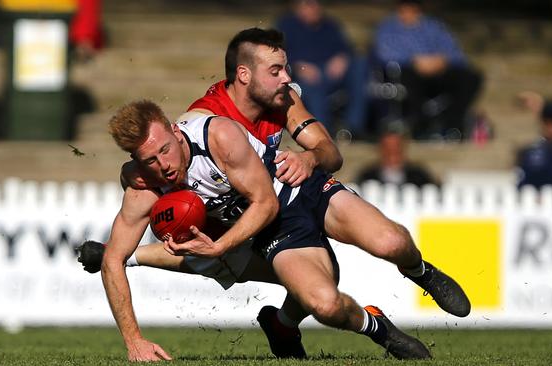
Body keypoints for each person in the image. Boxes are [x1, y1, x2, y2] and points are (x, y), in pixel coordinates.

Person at [79, 27, 469, 359]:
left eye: (285, 69)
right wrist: (133, 338)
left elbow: (331, 155)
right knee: (323, 300)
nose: (287, 78)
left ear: (175, 133)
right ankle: (368, 326)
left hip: (299, 192)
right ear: (245, 75)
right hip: (265, 223)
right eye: (277, 70)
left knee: (391, 242)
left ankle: (419, 271)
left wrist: (309, 160)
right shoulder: (174, 151)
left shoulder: (270, 104)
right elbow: (247, 207)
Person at [372, 0, 483, 140]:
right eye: (404, 8)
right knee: (409, 78)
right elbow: (384, 54)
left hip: (438, 71)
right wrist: (414, 60)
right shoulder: (388, 27)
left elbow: (456, 53)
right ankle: (421, 126)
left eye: (412, 8)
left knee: (470, 77)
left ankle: (453, 126)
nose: (408, 12)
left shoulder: (433, 26)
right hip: (407, 70)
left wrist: (441, 60)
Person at [276, 0, 368, 138]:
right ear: (298, 7)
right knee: (313, 88)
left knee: (360, 65)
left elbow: (346, 48)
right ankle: (323, 133)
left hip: (331, 71)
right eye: (308, 5)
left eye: (316, 4)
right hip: (302, 75)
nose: (314, 8)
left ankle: (353, 127)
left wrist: (341, 58)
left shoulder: (329, 25)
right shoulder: (286, 26)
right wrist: (298, 66)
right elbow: (277, 54)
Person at [356, 129, 438, 187]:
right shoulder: (368, 175)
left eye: (397, 146)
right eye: (388, 148)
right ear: (380, 149)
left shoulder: (418, 175)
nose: (393, 151)